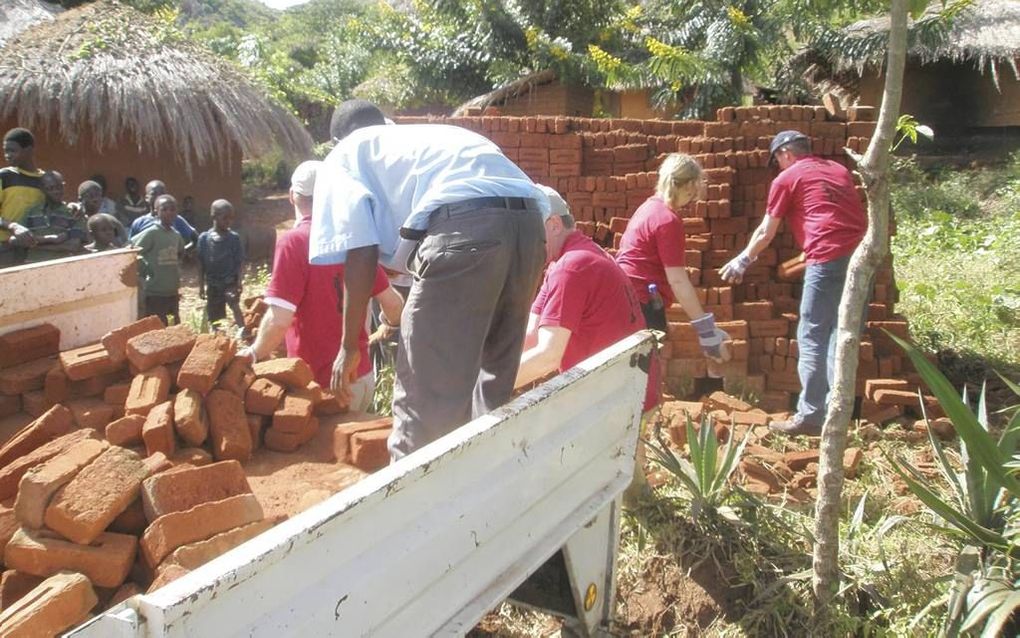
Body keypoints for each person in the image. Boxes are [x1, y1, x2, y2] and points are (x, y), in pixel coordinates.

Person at [310, 99, 548, 459]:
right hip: (530, 230)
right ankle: (486, 492)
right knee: (492, 384)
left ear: (336, 138)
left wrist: (349, 345)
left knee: (423, 405)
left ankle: (415, 511)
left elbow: (360, 252)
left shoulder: (346, 154)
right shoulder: (430, 139)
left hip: (465, 232)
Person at [720, 130, 867, 436]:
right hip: (862, 257)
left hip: (826, 259)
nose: (778, 167)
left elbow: (765, 232)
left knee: (813, 334)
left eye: (777, 161)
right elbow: (836, 214)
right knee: (843, 334)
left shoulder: (787, 179)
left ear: (785, 153)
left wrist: (743, 260)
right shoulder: (838, 169)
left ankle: (812, 416)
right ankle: (837, 414)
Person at [239, 161, 404, 411]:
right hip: (361, 378)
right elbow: (393, 304)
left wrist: (252, 353)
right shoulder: (354, 238)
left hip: (323, 387)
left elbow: (279, 320)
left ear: (292, 197)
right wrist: (388, 326)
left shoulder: (294, 243)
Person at [516, 185, 657, 407]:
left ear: (553, 225)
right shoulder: (566, 261)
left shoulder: (572, 267)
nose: (524, 242)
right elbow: (531, 334)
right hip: (620, 392)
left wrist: (485, 389)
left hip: (618, 403)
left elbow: (548, 356)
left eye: (528, 232)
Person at [615, 153, 730, 363]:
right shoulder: (667, 220)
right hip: (642, 304)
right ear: (690, 186)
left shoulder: (648, 208)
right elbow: (677, 280)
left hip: (627, 299)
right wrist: (706, 331)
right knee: (643, 375)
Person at [131, 194, 188, 325]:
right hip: (154, 291)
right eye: (164, 209)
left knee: (173, 326)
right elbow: (133, 251)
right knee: (156, 327)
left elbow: (180, 253)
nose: (169, 212)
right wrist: (145, 269)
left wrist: (176, 271)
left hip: (172, 290)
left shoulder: (176, 235)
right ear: (156, 211)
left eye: (172, 209)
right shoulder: (151, 233)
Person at [14, 171, 87, 262]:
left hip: (62, 264)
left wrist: (34, 245)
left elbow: (72, 246)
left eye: (60, 187)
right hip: (33, 264)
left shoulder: (74, 212)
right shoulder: (31, 212)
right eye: (51, 188)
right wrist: (53, 239)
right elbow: (15, 240)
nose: (57, 191)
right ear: (42, 189)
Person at [197, 200, 246, 334]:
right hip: (212, 283)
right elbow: (201, 264)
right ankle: (218, 337)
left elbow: (239, 262)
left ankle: (243, 331)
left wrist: (239, 281)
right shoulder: (204, 239)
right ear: (214, 217)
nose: (228, 221)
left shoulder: (233, 238)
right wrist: (201, 285)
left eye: (231, 218)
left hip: (229, 282)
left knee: (234, 305)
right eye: (225, 218)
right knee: (214, 312)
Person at [0, 128, 45, 265]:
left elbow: (54, 207)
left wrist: (72, 205)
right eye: (5, 151)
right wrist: (13, 226)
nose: (7, 155)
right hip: (4, 249)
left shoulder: (44, 180)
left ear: (29, 150)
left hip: (35, 250)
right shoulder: (4, 176)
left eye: (12, 150)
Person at [128, 180, 198, 244]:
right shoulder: (139, 223)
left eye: (162, 193)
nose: (159, 197)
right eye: (154, 194)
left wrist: (183, 253)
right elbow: (130, 246)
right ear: (147, 198)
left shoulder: (175, 219)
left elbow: (196, 238)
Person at [77, 180, 127, 246]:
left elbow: (124, 242)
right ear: (80, 199)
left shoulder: (109, 220)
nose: (95, 199)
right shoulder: (75, 219)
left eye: (98, 195)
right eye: (90, 196)